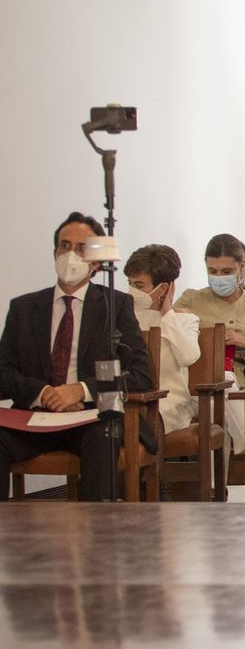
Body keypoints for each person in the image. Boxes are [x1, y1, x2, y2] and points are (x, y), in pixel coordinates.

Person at [0, 213, 156, 500]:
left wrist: (80, 390)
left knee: (103, 438)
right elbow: (4, 372)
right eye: (64, 246)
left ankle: (97, 537)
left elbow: (140, 374)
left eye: (81, 248)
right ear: (54, 252)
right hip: (36, 417)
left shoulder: (115, 306)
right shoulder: (24, 308)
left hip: (92, 417)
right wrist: (44, 392)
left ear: (97, 262)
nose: (70, 255)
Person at [125, 244, 201, 434]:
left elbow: (189, 356)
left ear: (163, 288)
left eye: (139, 285)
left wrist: (167, 314)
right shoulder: (123, 318)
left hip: (169, 402)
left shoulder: (184, 320)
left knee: (138, 422)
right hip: (129, 398)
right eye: (130, 283)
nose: (132, 290)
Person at [174, 233, 245, 373]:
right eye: (212, 271)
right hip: (202, 387)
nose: (219, 277)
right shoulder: (190, 300)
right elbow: (171, 339)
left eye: (227, 271)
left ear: (242, 267)